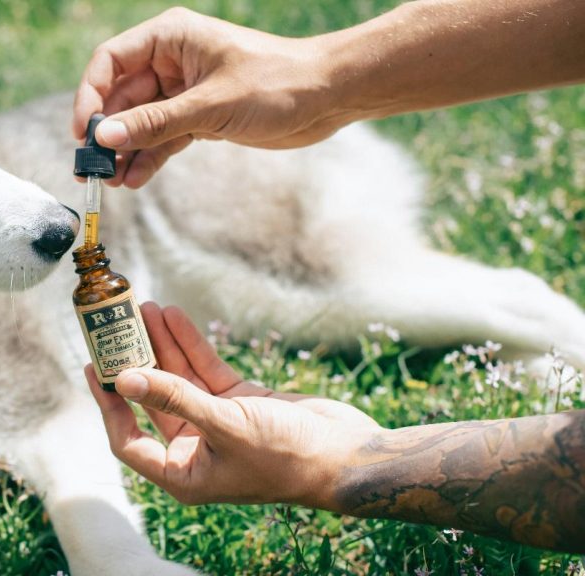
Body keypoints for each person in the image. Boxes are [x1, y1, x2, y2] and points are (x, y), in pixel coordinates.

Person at [73, 1, 585, 554]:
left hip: (229, 196)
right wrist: (317, 73)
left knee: (353, 296)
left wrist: (336, 465)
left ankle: (531, 321)